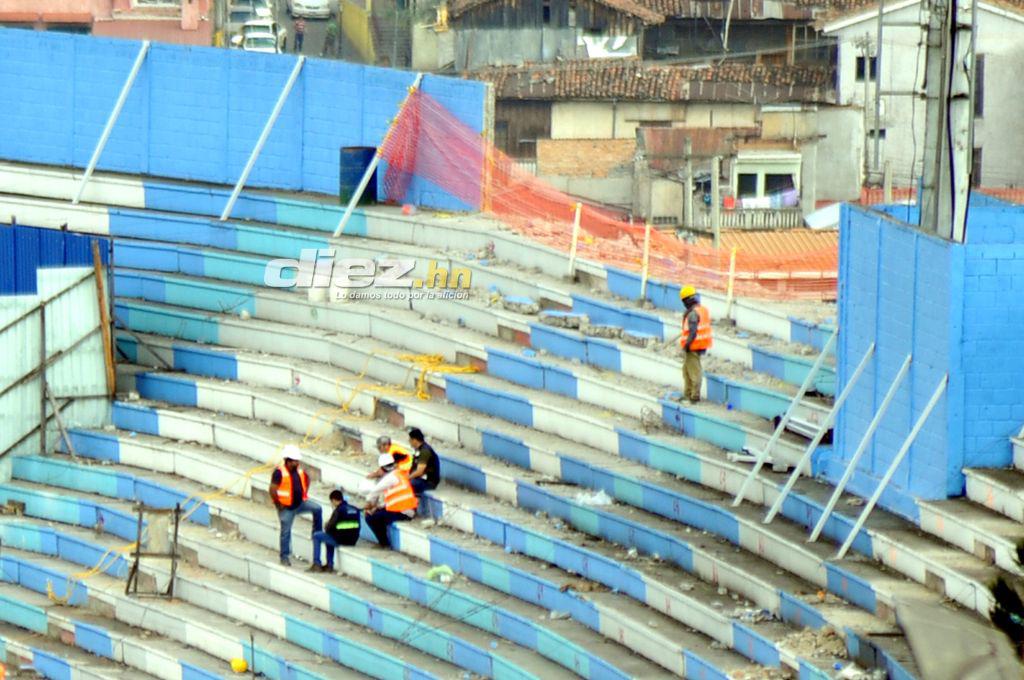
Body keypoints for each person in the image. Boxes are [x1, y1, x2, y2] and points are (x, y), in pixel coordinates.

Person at [269, 444, 322, 566]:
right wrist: (278, 504)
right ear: (287, 460)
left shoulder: (300, 471)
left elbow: (306, 481)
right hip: (286, 508)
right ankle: (284, 556)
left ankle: (316, 532)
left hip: (300, 504)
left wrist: (303, 495)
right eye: (294, 461)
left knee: (317, 509)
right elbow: (272, 489)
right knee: (285, 532)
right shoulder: (279, 473)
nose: (296, 463)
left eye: (297, 461)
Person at [364, 453, 417, 549]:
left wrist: (369, 504)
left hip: (402, 512)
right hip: (406, 509)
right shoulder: (399, 474)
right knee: (379, 513)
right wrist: (380, 507)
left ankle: (384, 543)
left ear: (382, 468)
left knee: (371, 517)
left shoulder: (390, 478)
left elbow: (374, 492)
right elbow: (394, 497)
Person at [310, 489, 361, 572]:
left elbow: (330, 527)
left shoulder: (338, 510)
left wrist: (326, 525)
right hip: (353, 540)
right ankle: (329, 565)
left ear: (333, 500)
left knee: (317, 535)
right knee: (330, 536)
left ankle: (317, 563)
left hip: (341, 540)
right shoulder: (355, 509)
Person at [679, 285, 713, 403]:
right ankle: (688, 394)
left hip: (693, 347)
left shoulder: (693, 314)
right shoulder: (701, 310)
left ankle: (694, 396)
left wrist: (687, 345)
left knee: (694, 372)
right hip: (699, 345)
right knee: (686, 370)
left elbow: (692, 332)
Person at [407, 427, 440, 496]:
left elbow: (419, 471)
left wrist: (407, 478)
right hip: (421, 479)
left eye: (410, 440)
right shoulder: (419, 450)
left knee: (406, 485)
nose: (409, 442)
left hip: (428, 482)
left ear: (415, 440)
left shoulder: (425, 451)